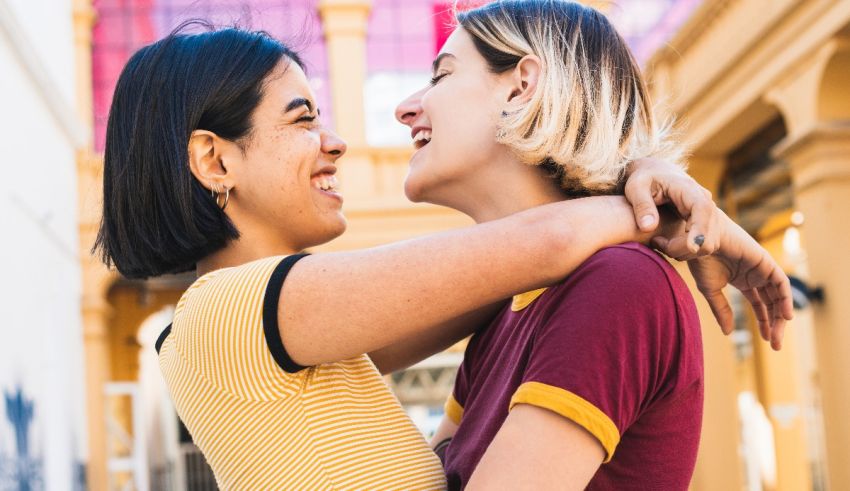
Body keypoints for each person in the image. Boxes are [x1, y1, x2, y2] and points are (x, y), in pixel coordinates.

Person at [94, 23, 790, 491]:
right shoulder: (236, 309)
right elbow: (540, 245)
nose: (337, 141)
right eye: (303, 118)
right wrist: (661, 210)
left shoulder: (285, 328)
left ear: (525, 85)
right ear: (215, 160)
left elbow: (516, 275)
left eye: (441, 75)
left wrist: (633, 184)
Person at [392, 1, 788, 489]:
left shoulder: (618, 282)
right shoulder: (505, 313)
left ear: (522, 86)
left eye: (441, 77)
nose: (405, 107)